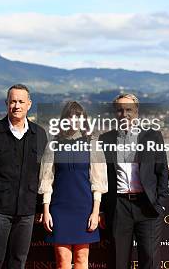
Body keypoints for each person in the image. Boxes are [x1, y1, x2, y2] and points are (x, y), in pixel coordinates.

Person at [0, 84, 47, 269]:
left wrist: (40, 206)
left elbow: (43, 174)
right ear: (6, 103)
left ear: (29, 104)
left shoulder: (39, 134)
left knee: (18, 261)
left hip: (27, 212)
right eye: (13, 101)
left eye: (21, 101)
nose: (17, 105)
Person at [99, 93, 169, 269]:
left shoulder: (153, 136)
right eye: (120, 110)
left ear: (136, 111)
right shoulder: (105, 139)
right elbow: (101, 176)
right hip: (118, 206)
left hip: (148, 206)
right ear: (115, 113)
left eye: (128, 109)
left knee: (150, 261)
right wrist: (102, 209)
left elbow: (162, 171)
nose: (124, 114)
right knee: (118, 261)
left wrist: (160, 204)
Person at [39, 101, 107, 269]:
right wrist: (46, 211)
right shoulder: (53, 144)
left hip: (84, 208)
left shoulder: (93, 144)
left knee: (81, 258)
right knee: (62, 260)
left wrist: (95, 212)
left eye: (78, 118)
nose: (73, 121)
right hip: (59, 209)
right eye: (70, 117)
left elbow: (97, 182)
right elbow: (46, 180)